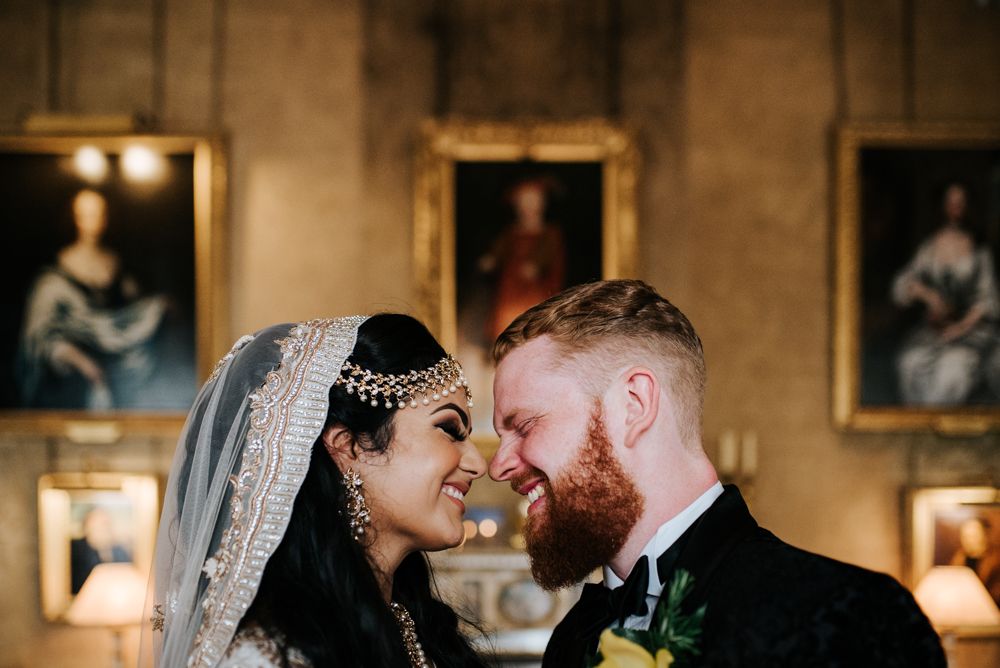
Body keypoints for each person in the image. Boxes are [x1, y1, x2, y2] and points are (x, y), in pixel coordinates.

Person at [488, 279, 945, 667]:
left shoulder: (848, 614)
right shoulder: (571, 643)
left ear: (634, 405)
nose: (497, 465)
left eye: (524, 426)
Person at [141, 314, 489, 667]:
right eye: (449, 429)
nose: (479, 464)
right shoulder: (266, 655)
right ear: (347, 447)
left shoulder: (414, 626)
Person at [17, 188, 166, 410]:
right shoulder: (52, 280)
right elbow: (41, 336)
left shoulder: (118, 267)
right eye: (86, 214)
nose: (93, 220)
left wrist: (158, 308)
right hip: (70, 384)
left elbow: (129, 317)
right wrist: (81, 362)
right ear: (74, 218)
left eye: (99, 213)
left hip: (120, 377)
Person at [891, 183, 1000, 406]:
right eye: (950, 202)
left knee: (952, 369)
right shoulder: (929, 246)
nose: (955, 208)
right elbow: (903, 284)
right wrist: (928, 295)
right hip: (935, 330)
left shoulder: (979, 250)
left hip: (971, 329)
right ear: (942, 206)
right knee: (909, 362)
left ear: (969, 207)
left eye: (961, 203)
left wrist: (959, 328)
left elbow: (987, 300)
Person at [478, 176, 566, 342]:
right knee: (506, 320)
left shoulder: (550, 233)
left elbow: (548, 254)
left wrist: (536, 265)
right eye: (524, 201)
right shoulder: (511, 232)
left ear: (542, 203)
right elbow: (499, 251)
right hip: (511, 287)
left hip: (535, 288)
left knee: (534, 321)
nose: (528, 205)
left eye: (533, 200)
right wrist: (491, 260)